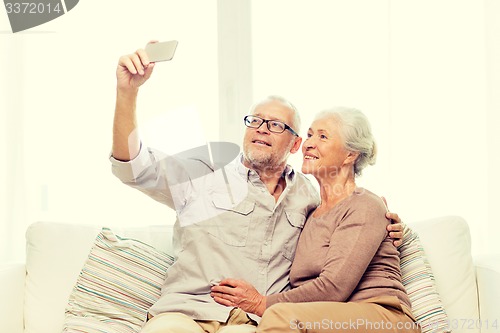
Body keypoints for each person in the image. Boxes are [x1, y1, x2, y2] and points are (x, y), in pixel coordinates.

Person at [110, 43, 404, 333]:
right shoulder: (205, 171)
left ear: (295, 144)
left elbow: (347, 229)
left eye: (276, 125)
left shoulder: (308, 196)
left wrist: (389, 227)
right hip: (188, 312)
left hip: (254, 321)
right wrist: (128, 91)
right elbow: (133, 167)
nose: (262, 128)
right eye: (255, 121)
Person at [210, 107, 420, 333]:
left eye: (322, 136)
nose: (309, 143)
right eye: (309, 135)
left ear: (350, 155)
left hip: (381, 316)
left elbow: (334, 287)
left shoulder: (365, 204)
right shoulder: (308, 212)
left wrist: (262, 303)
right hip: (327, 318)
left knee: (280, 316)